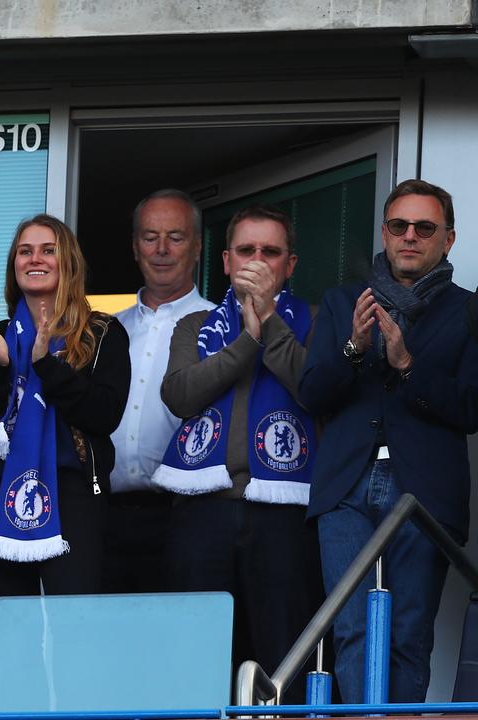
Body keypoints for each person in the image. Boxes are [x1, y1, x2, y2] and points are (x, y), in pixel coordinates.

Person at [300, 179, 478, 703]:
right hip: (344, 487)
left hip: (423, 488)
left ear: (448, 240)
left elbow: (470, 408)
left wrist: (407, 366)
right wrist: (355, 347)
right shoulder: (340, 302)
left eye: (425, 228)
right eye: (399, 226)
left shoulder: (467, 310)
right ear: (384, 232)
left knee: (406, 635)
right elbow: (313, 394)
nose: (410, 237)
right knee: (350, 630)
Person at [156, 205, 321, 703]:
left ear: (289, 265)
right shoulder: (196, 324)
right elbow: (181, 394)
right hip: (202, 510)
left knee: (283, 660)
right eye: (246, 251)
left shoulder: (314, 320)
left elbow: (312, 387)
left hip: (285, 515)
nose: (257, 261)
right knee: (195, 657)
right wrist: (248, 338)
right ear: (226, 261)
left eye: (270, 252)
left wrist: (270, 321)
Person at [0, 214, 129, 599]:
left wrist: (47, 364)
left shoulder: (102, 333)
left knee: (72, 623)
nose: (35, 259)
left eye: (49, 250)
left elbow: (104, 414)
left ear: (68, 262)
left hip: (73, 495)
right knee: (4, 627)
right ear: (13, 265)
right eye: (25, 251)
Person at [105, 190, 215, 593]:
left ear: (199, 247)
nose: (162, 249)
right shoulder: (103, 332)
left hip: (186, 518)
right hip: (105, 516)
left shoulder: (220, 327)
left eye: (176, 237)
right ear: (135, 248)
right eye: (150, 237)